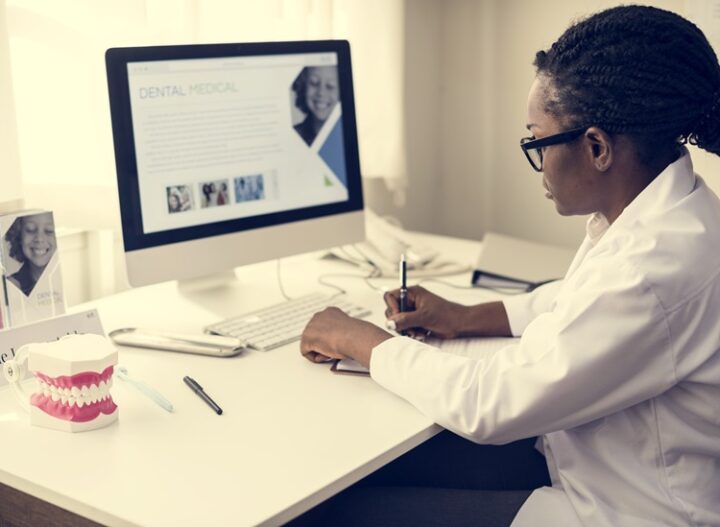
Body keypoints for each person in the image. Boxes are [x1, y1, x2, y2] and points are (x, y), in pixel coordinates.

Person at [297, 6, 720, 526]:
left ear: (596, 147)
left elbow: (491, 405)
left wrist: (360, 341)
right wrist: (465, 316)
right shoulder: (676, 211)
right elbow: (578, 301)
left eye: (537, 142)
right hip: (599, 469)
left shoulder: (655, 267)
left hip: (625, 512)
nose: (537, 162)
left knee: (337, 511)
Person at [4, 212, 57, 297]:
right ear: (19, 235)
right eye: (30, 230)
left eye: (49, 231)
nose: (39, 239)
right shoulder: (11, 287)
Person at [292, 66, 340, 146]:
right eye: (314, 83)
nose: (321, 92)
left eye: (330, 86)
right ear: (303, 86)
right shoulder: (293, 136)